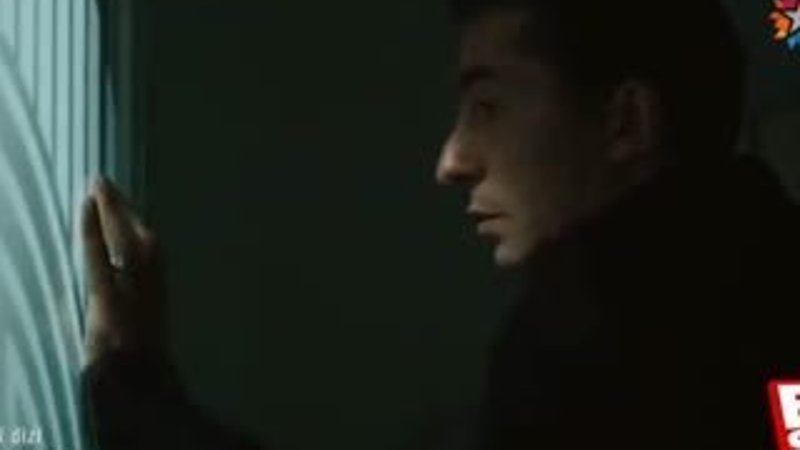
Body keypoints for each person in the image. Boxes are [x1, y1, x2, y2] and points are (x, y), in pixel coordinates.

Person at [80, 0, 800, 449]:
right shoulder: (755, 286)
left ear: (626, 123)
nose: (451, 160)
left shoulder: (593, 332)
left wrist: (131, 384)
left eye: (488, 106)